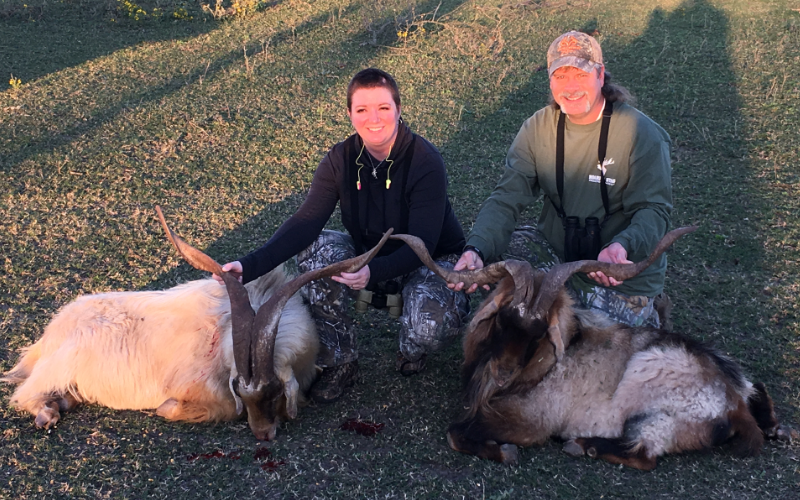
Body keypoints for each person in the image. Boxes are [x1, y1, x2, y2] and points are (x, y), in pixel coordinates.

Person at [219, 68, 469, 403]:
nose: (373, 119)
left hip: (431, 260)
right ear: (350, 114)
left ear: (398, 109)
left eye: (383, 107)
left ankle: (411, 348)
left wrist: (372, 272)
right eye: (362, 110)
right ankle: (341, 359)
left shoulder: (425, 161)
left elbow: (422, 243)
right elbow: (306, 221)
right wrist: (248, 267)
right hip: (370, 256)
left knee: (426, 329)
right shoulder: (340, 159)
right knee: (315, 249)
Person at [453, 31, 673, 328]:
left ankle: (649, 314)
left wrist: (623, 246)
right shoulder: (537, 128)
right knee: (508, 297)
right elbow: (506, 199)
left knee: (591, 347)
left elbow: (654, 211)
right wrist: (476, 249)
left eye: (580, 74)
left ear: (600, 74)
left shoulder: (640, 132)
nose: (570, 87)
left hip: (615, 271)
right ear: (550, 81)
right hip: (556, 254)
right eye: (560, 75)